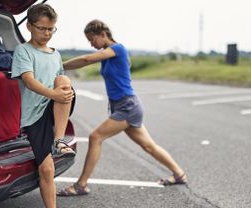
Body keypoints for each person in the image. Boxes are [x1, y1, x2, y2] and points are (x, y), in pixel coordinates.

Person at [57, 19, 187, 196]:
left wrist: (59, 65)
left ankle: (81, 185)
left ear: (103, 34)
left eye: (92, 39)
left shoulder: (118, 49)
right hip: (123, 105)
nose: (91, 44)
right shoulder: (108, 54)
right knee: (149, 146)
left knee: (95, 137)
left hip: (127, 106)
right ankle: (179, 174)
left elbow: (87, 59)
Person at [11, 4, 76, 207]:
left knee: (64, 80)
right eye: (42, 28)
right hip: (34, 114)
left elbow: (59, 82)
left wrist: (64, 93)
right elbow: (29, 81)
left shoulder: (55, 54)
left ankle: (59, 141)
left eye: (51, 29)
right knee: (47, 168)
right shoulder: (23, 51)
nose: (47, 33)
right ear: (29, 26)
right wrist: (54, 93)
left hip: (54, 107)